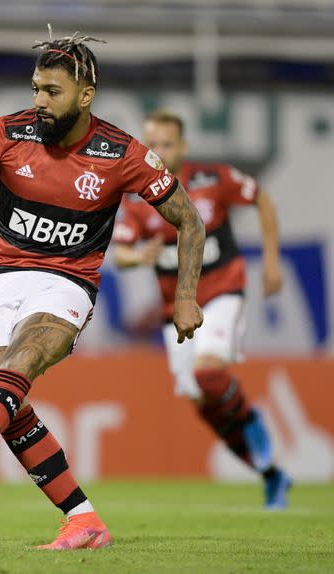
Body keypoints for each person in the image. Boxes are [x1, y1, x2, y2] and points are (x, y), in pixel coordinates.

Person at [0, 31, 205, 550]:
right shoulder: (6, 133)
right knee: (3, 396)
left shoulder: (121, 153)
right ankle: (84, 520)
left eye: (52, 91)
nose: (39, 100)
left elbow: (189, 221)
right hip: (1, 278)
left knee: (22, 365)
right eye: (36, 88)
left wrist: (186, 295)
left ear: (85, 97)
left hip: (68, 283)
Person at [112, 109, 292, 509]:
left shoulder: (214, 179)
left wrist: (273, 261)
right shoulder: (139, 198)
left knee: (208, 371)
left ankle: (251, 421)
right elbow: (121, 253)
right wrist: (141, 254)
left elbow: (262, 199)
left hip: (222, 289)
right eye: (151, 144)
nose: (157, 151)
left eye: (166, 144)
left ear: (184, 147)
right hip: (174, 310)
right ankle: (270, 472)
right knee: (200, 399)